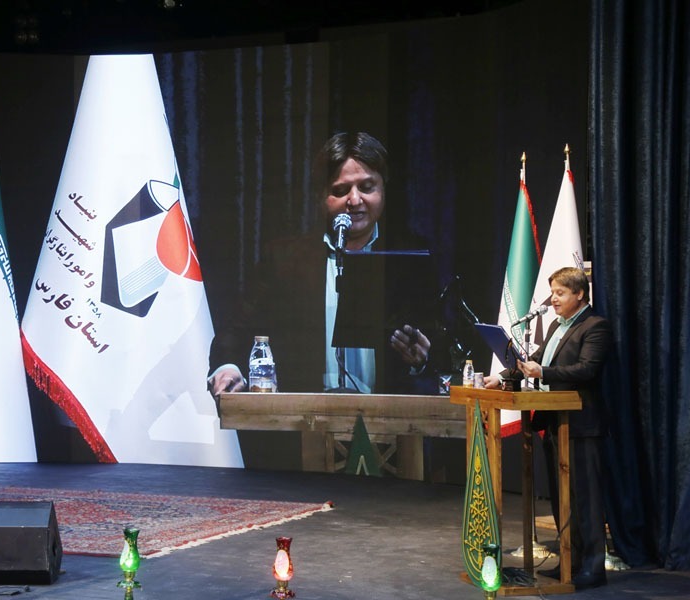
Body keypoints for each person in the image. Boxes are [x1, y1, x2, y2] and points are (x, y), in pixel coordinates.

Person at [207, 131, 443, 400]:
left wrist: (421, 360)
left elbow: (440, 347)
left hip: (389, 419)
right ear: (321, 197)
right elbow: (236, 331)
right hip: (304, 418)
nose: (354, 201)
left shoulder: (409, 261)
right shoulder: (284, 260)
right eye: (341, 191)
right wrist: (228, 367)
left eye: (367, 187)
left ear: (384, 189)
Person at [483, 266, 612, 590]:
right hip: (555, 422)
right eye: (552, 292)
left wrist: (544, 372)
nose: (553, 299)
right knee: (561, 497)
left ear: (579, 294)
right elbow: (536, 361)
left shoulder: (595, 326)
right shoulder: (556, 325)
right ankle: (570, 561)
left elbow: (586, 370)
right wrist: (501, 377)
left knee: (586, 499)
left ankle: (593, 568)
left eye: (560, 293)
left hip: (581, 425)